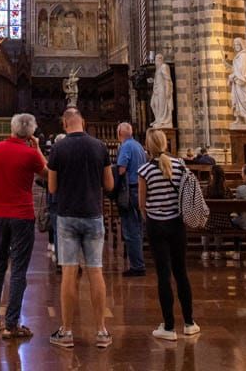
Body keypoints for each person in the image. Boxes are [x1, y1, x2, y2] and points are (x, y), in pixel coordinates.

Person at [47, 106, 114, 350]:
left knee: (68, 273)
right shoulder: (100, 147)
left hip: (67, 216)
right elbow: (109, 184)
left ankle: (66, 332)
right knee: (95, 271)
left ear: (65, 125)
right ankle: (101, 331)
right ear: (83, 122)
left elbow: (52, 188)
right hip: (93, 214)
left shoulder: (58, 148)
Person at [0, 113, 47, 339]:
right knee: (18, 269)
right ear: (30, 133)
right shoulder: (31, 154)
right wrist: (37, 148)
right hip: (22, 216)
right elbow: (49, 175)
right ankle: (11, 324)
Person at [138, 128, 199, 342]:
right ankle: (190, 323)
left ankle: (169, 327)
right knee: (181, 272)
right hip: (176, 224)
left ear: (148, 145)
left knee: (163, 275)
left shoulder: (144, 170)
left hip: (156, 225)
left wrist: (151, 217)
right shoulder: (180, 166)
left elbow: (141, 203)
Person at [114, 121, 147, 277]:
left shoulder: (126, 146)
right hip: (139, 190)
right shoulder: (139, 146)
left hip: (130, 190)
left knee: (130, 229)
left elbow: (121, 169)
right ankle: (139, 261)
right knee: (138, 228)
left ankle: (137, 265)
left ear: (119, 133)